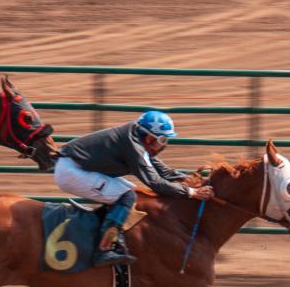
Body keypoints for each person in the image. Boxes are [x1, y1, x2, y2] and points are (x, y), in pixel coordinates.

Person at [54, 110, 214, 267]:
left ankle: (110, 234)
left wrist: (193, 181)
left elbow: (163, 171)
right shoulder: (134, 147)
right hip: (72, 171)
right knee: (127, 196)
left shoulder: (137, 139)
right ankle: (103, 249)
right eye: (164, 140)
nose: (165, 145)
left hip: (78, 167)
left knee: (133, 194)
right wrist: (191, 193)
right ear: (150, 138)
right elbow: (156, 183)